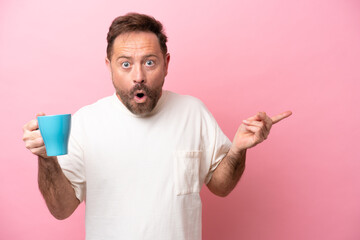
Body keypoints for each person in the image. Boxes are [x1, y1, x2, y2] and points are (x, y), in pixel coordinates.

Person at [22, 13, 292, 240]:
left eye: (149, 62)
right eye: (125, 64)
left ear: (166, 64)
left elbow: (221, 187)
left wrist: (238, 149)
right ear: (109, 67)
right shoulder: (85, 122)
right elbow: (61, 209)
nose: (138, 76)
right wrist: (46, 159)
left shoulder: (193, 112)